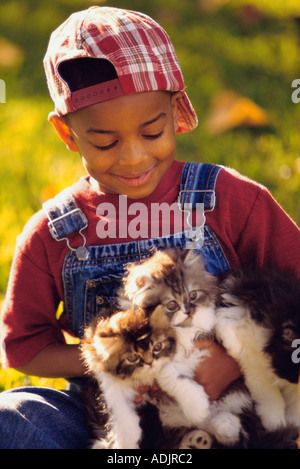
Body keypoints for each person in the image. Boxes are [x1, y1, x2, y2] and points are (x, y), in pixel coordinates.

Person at [0, 6, 299, 449]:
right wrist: (114, 361)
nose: (134, 157)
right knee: (16, 416)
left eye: (153, 131)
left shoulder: (229, 199)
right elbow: (23, 346)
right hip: (111, 421)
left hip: (233, 412)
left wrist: (238, 361)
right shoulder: (56, 232)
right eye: (105, 142)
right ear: (67, 134)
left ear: (175, 109)